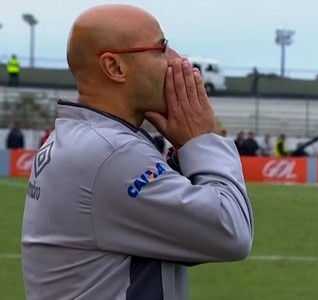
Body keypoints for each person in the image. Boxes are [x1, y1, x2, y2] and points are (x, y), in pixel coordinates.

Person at [21, 4, 253, 300]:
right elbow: (230, 231)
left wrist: (183, 152)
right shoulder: (110, 154)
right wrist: (203, 140)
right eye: (160, 49)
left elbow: (183, 234)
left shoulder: (84, 138)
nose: (178, 61)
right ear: (115, 68)